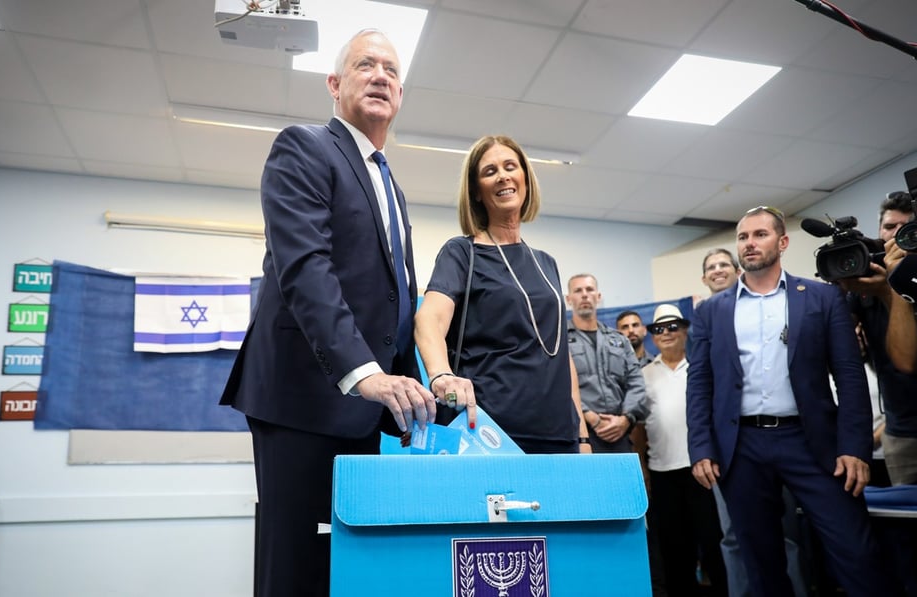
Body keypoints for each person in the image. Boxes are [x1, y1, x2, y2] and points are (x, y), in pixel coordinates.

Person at [219, 30, 436, 597]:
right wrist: (365, 373)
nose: (381, 75)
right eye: (366, 65)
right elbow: (305, 268)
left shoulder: (390, 183)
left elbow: (396, 298)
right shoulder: (305, 146)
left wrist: (419, 380)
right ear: (335, 85)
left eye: (390, 69)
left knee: (355, 569)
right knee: (297, 572)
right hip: (305, 399)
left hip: (371, 412)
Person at [686, 206, 894, 597]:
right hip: (741, 447)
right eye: (743, 237)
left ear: (782, 242)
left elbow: (848, 377)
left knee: (855, 550)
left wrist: (854, 447)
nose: (750, 243)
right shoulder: (713, 311)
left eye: (760, 234)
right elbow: (700, 383)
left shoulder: (822, 297)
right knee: (760, 562)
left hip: (812, 441)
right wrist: (701, 447)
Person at [414, 135, 589, 454]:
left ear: (525, 179)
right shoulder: (462, 253)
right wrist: (440, 374)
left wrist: (583, 434)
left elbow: (561, 354)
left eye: (511, 166)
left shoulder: (546, 263)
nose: (503, 176)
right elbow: (430, 317)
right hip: (489, 429)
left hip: (558, 431)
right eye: (489, 171)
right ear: (477, 192)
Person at [697, 248, 810, 597]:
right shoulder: (706, 318)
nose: (717, 270)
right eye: (710, 267)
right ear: (704, 279)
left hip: (784, 437)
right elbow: (700, 389)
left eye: (723, 264)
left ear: (737, 270)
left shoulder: (781, 308)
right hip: (731, 447)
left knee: (784, 529)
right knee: (733, 534)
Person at [841, 192, 917, 486]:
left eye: (907, 228)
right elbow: (836, 350)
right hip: (899, 432)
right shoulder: (863, 290)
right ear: (879, 231)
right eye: (889, 227)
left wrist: (893, 289)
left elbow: (909, 360)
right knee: (907, 523)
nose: (896, 235)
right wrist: (840, 288)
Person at [642, 303, 727, 597]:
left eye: (672, 327)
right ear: (652, 336)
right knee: (674, 549)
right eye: (658, 329)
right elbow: (640, 428)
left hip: (703, 469)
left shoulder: (702, 369)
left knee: (714, 541)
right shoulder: (644, 375)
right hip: (662, 472)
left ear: (685, 330)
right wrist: (643, 467)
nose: (665, 333)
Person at [564, 274, 649, 453]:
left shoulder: (619, 340)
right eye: (578, 291)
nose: (585, 295)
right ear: (568, 299)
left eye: (589, 289)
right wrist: (590, 417)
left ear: (599, 296)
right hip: (581, 435)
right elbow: (559, 385)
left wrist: (625, 419)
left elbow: (636, 382)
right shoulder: (560, 340)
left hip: (620, 432)